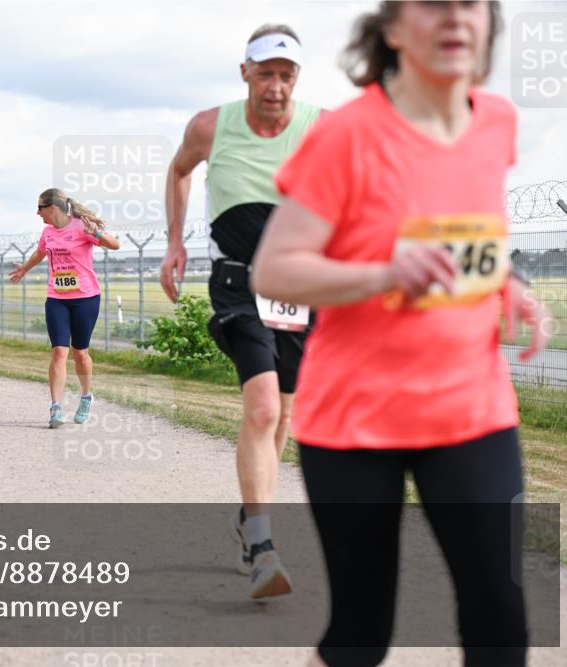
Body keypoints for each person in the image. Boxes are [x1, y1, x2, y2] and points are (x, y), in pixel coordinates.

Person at [250, 3, 552, 665]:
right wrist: (383, 272)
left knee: (501, 619)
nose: (454, 18)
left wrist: (506, 284)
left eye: (470, 4)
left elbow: (467, 229)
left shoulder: (496, 121)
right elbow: (275, 267)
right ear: (392, 29)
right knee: (361, 632)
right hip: (356, 419)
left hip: (471, 409)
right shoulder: (349, 135)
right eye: (432, 4)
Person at [159, 23, 322, 597]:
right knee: (259, 409)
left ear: (296, 78)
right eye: (266, 72)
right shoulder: (210, 126)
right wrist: (175, 242)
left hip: (302, 285)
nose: (276, 85)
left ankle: (250, 513)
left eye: (287, 74)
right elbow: (179, 171)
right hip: (238, 281)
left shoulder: (322, 128)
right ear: (245, 72)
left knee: (282, 413)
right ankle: (262, 542)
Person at [8, 188, 120, 428]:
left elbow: (115, 245)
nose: (37, 212)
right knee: (59, 351)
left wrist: (97, 232)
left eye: (40, 207)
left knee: (80, 353)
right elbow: (40, 254)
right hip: (56, 298)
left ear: (52, 207)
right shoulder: (47, 231)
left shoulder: (81, 226)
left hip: (86, 298)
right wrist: (25, 269)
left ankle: (86, 396)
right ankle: (56, 407)